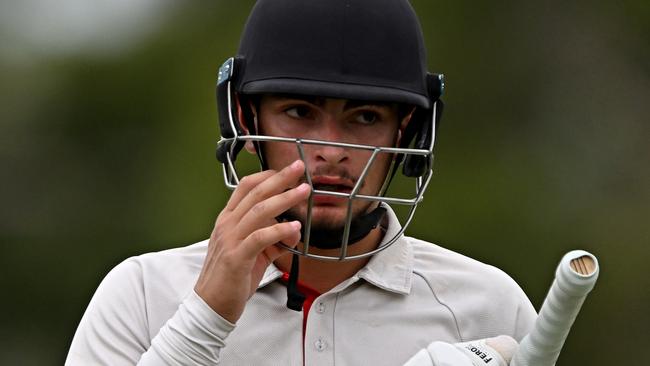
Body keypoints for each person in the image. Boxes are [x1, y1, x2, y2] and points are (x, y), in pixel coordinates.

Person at [66, 1, 537, 365]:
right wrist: (203, 320)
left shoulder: (487, 307)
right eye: (299, 112)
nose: (331, 149)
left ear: (407, 132)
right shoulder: (143, 294)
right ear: (245, 120)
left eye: (365, 116)